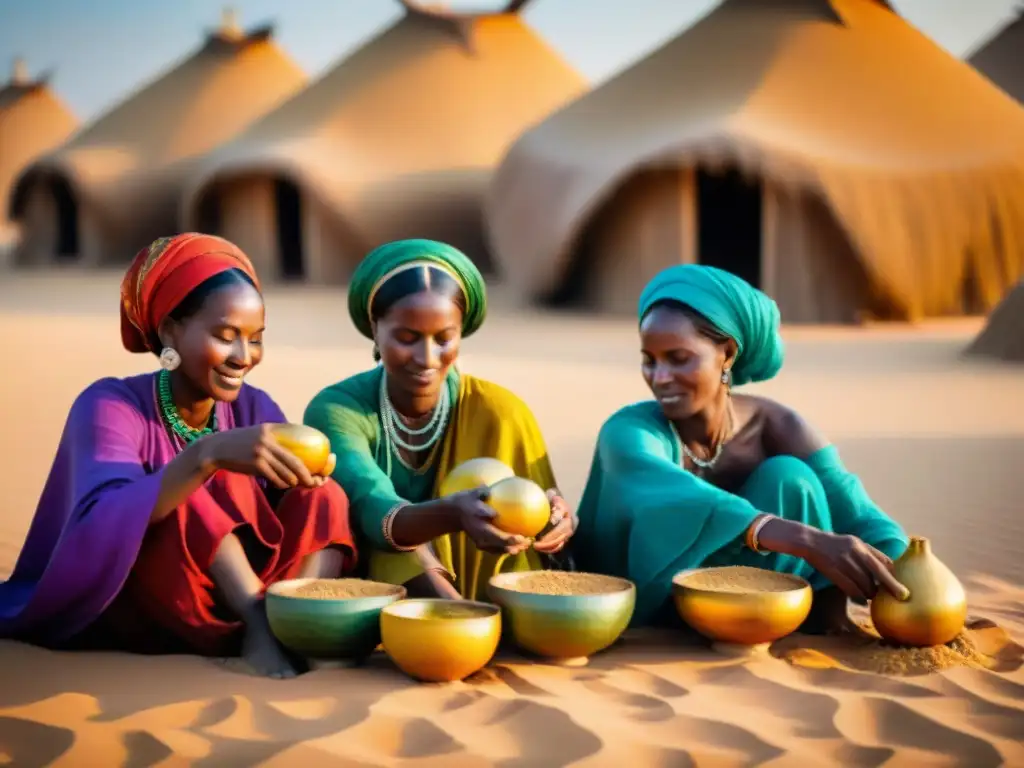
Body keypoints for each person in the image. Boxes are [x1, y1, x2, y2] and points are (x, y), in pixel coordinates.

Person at [0, 233, 356, 678]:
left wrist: (307, 476)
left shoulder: (253, 406)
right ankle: (258, 623)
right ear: (170, 329)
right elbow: (100, 519)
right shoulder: (110, 404)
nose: (243, 357)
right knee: (186, 488)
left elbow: (282, 512)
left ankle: (300, 620)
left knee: (327, 498)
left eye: (256, 339)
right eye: (225, 336)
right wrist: (206, 456)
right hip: (165, 603)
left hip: (247, 592)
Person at [572, 264, 910, 630]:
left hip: (754, 607)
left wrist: (911, 572)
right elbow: (670, 494)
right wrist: (806, 540)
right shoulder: (628, 431)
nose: (660, 378)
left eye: (678, 358)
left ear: (728, 354)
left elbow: (857, 512)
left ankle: (824, 623)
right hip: (655, 606)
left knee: (790, 477)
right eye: (649, 361)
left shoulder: (781, 427)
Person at [304, 239, 575, 601]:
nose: (427, 357)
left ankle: (488, 618)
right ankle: (456, 616)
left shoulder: (502, 412)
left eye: (444, 338)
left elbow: (537, 523)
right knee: (395, 542)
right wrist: (452, 515)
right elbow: (373, 510)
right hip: (381, 585)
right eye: (406, 338)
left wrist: (555, 522)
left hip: (487, 576)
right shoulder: (338, 408)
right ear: (375, 328)